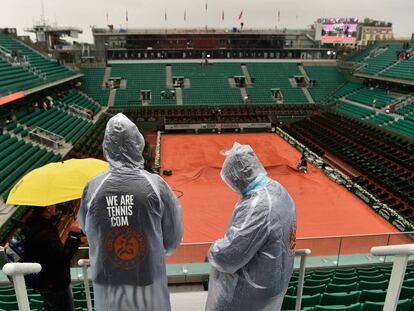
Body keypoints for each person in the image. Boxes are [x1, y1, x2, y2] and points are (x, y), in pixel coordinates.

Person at [78, 113, 183, 311]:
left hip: (109, 284)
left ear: (107, 146)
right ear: (137, 143)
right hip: (148, 280)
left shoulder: (92, 188)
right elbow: (172, 237)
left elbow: (87, 228)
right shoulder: (155, 185)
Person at [206, 142, 296, 311]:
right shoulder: (278, 189)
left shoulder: (257, 206)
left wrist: (213, 250)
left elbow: (230, 256)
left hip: (249, 294)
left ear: (237, 177)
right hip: (274, 281)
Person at [22, 205, 81, 311]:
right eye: (53, 205)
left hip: (45, 282)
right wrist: (74, 235)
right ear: (48, 208)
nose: (55, 206)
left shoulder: (33, 225)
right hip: (55, 284)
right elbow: (62, 258)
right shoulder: (45, 233)